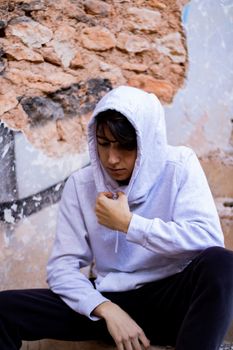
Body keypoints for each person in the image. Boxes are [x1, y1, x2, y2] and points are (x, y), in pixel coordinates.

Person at [0, 85, 233, 350]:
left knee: (222, 263)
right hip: (109, 299)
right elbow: (61, 267)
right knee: (4, 309)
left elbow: (207, 240)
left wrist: (129, 224)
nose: (112, 159)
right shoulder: (81, 184)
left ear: (147, 143)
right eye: (104, 144)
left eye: (125, 147)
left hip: (170, 300)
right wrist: (106, 308)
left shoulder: (179, 166)